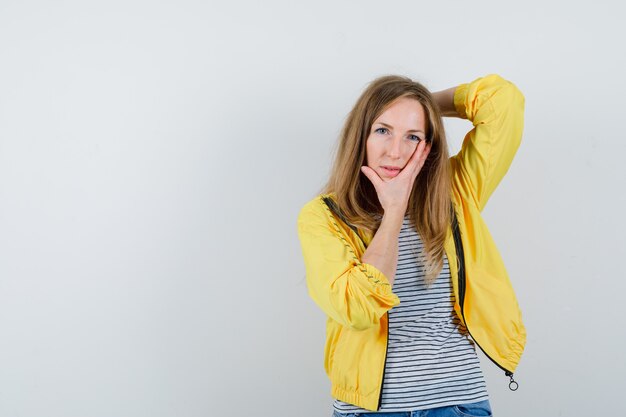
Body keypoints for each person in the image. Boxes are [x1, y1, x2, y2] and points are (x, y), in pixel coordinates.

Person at [296, 74, 526, 417]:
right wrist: (393, 212)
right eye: (383, 130)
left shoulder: (454, 194)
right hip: (369, 410)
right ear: (361, 134)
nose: (396, 151)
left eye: (412, 136)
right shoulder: (325, 216)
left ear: (426, 146)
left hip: (457, 404)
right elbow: (358, 310)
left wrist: (423, 106)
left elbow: (502, 100)